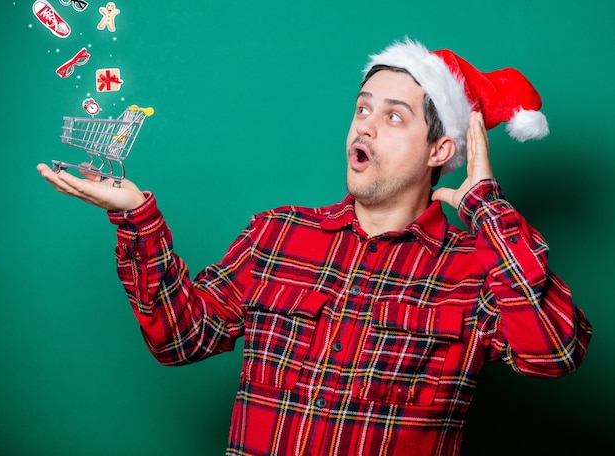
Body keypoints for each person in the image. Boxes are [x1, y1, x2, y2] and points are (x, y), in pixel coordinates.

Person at [37, 37, 592, 456]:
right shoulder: (278, 235)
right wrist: (136, 218)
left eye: (393, 116)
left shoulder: (475, 269)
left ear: (438, 149)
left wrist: (486, 208)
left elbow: (554, 352)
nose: (364, 128)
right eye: (362, 108)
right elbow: (180, 338)